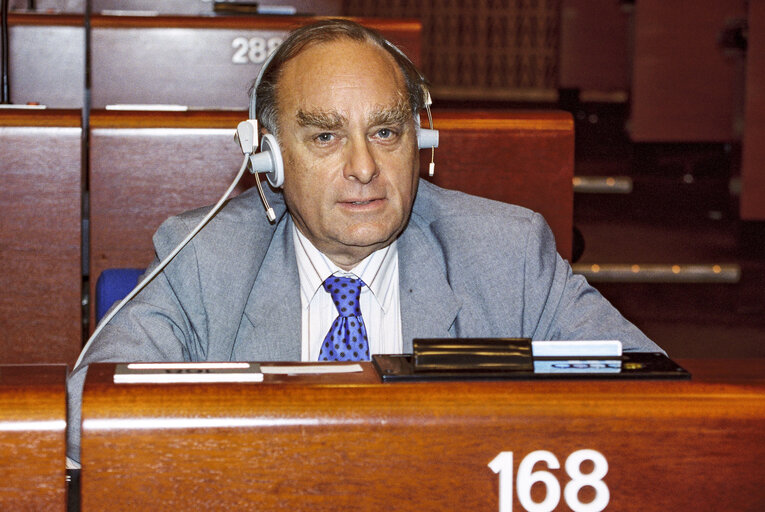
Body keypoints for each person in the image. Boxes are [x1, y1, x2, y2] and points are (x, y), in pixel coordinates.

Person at [66, 19, 662, 463]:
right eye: (325, 137)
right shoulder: (203, 259)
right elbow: (84, 418)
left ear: (420, 142)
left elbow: (650, 402)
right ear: (268, 155)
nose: (363, 167)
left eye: (385, 131)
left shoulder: (507, 254)